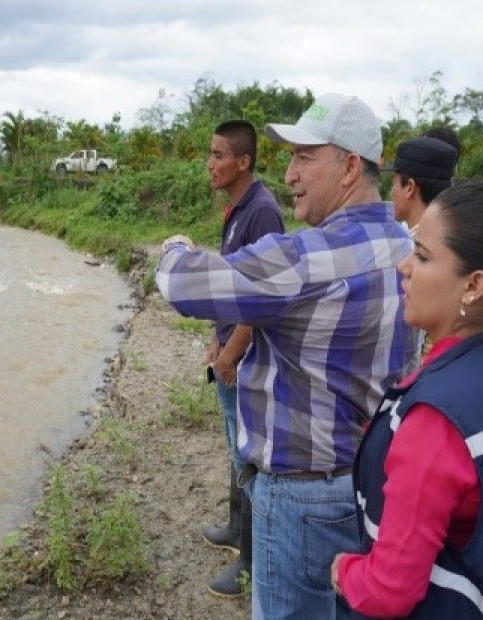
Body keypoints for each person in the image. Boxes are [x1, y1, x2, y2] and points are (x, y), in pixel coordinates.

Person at [156, 93, 418, 619]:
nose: (291, 172)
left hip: (301, 496)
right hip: (375, 482)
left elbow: (183, 285)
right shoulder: (411, 243)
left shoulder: (305, 259)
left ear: (348, 166)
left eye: (304, 157)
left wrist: (174, 247)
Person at [331, 180, 483, 619]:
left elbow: (389, 589)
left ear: (473, 285)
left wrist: (344, 571)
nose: (404, 267)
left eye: (421, 256)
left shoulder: (435, 421)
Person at [200, 120, 285, 598]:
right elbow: (232, 287)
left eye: (217, 155)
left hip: (247, 360)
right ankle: (236, 531)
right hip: (228, 351)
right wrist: (216, 340)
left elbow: (263, 296)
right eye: (209, 155)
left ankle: (250, 565)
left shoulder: (263, 214)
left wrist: (231, 351)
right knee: (235, 449)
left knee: (249, 456)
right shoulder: (237, 208)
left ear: (243, 161)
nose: (210, 164)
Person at [382, 136, 457, 238]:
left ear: (409, 188)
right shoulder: (452, 237)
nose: (391, 193)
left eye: (393, 184)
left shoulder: (411, 247)